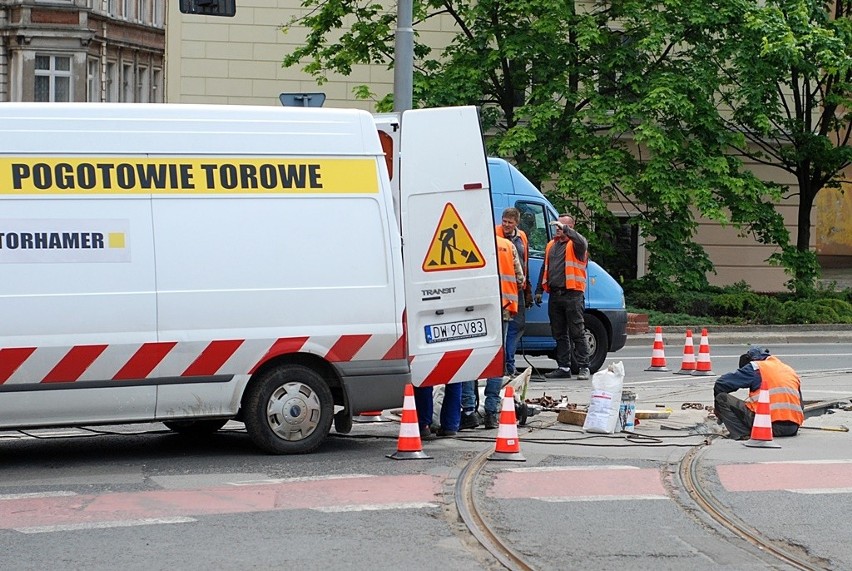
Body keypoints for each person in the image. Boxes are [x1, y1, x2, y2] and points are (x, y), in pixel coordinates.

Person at [460, 234, 525, 430]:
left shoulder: (469, 243)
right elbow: (520, 278)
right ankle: (491, 413)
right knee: (497, 359)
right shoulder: (507, 245)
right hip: (502, 308)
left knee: (470, 358)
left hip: (474, 310)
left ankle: (469, 411)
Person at [534, 213, 591, 380]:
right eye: (557, 226)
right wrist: (539, 290)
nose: (557, 229)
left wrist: (565, 229)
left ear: (570, 228)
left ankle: (584, 366)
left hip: (573, 295)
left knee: (577, 332)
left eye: (562, 226)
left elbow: (583, 241)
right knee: (559, 333)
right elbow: (545, 268)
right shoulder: (551, 245)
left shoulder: (576, 245)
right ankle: (564, 367)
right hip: (556, 294)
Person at [714, 345, 804, 440]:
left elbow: (721, 384)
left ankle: (742, 434)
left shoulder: (756, 367)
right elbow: (800, 405)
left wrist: (718, 410)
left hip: (767, 426)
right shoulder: (789, 370)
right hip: (793, 428)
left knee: (722, 398)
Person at [496, 207, 533, 376]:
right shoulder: (494, 235)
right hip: (499, 293)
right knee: (502, 330)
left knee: (515, 328)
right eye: (504, 221)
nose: (506, 225)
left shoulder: (522, 237)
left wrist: (527, 289)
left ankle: (509, 363)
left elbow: (524, 264)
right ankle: (505, 365)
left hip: (515, 292)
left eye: (510, 222)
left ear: (516, 223)